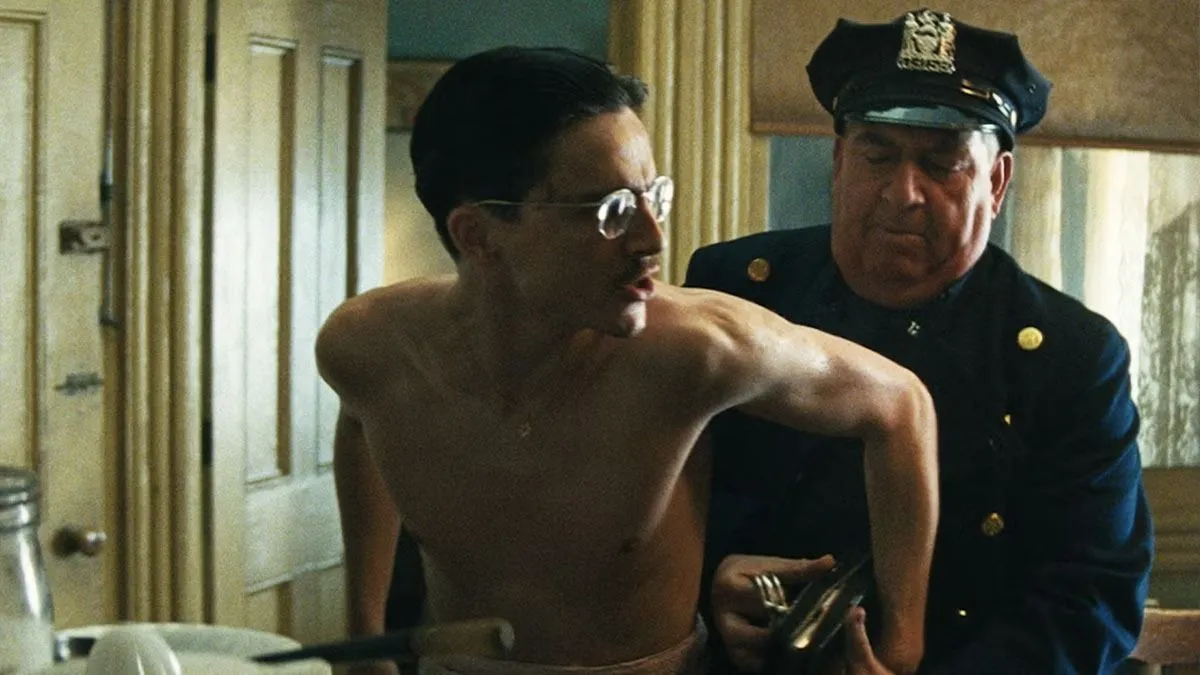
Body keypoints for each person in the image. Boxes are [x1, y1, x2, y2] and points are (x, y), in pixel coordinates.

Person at [318, 46, 941, 675]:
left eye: (653, 197)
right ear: (477, 235)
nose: (653, 239)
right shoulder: (368, 347)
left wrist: (903, 647)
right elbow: (364, 422)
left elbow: (900, 404)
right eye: (611, 211)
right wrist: (364, 636)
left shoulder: (696, 351)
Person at [685, 9, 1154, 674]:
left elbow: (1090, 597)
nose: (903, 193)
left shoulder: (1070, 358)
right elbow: (647, 508)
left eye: (942, 164)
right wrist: (708, 585)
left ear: (996, 183)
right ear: (839, 161)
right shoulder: (737, 294)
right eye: (877, 156)